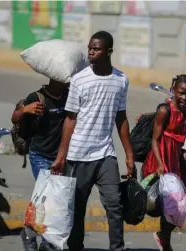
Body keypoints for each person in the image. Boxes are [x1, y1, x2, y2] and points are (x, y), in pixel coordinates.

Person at [50, 31, 135, 251]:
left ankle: (117, 248)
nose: (91, 52)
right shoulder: (79, 80)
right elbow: (70, 120)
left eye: (96, 49)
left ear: (109, 52)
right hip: (78, 155)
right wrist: (61, 157)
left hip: (105, 154)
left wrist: (129, 154)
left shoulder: (121, 80)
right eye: (89, 48)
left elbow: (121, 118)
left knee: (114, 205)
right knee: (77, 209)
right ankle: (75, 247)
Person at [11, 79, 68, 251]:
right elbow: (14, 118)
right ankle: (39, 239)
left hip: (61, 156)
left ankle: (37, 237)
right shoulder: (36, 97)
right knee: (47, 198)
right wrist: (24, 110)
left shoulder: (68, 95)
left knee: (52, 200)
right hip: (40, 155)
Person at [141, 74, 186, 251]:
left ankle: (163, 237)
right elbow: (155, 140)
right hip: (162, 158)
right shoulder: (166, 110)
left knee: (180, 204)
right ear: (173, 89)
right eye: (181, 93)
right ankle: (166, 243)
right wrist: (159, 163)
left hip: (179, 161)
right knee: (166, 203)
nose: (184, 98)